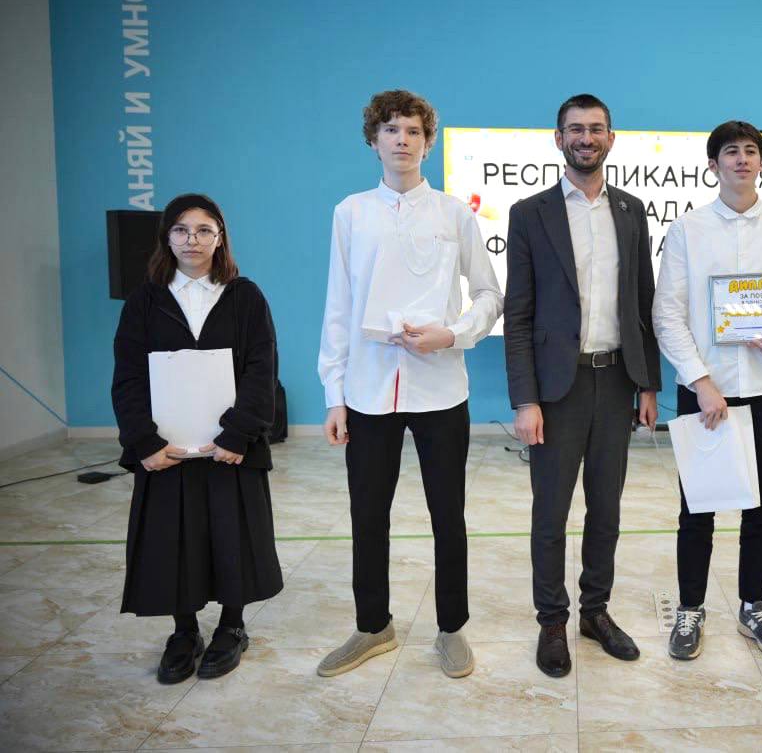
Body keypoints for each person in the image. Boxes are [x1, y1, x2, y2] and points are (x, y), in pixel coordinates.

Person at [316, 89, 502, 679]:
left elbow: (490, 295)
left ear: (428, 142)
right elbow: (338, 307)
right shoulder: (351, 213)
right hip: (369, 390)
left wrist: (453, 334)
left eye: (414, 131)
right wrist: (334, 395)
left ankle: (452, 628)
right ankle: (373, 626)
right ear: (373, 140)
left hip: (441, 389)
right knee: (368, 515)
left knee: (449, 514)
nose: (402, 139)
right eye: (391, 129)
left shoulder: (454, 214)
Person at [504, 93, 660, 678]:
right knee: (551, 514)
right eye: (575, 129)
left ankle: (595, 612)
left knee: (607, 510)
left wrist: (648, 385)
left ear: (611, 139)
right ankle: (552, 621)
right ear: (559, 138)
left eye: (596, 129)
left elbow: (642, 304)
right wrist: (526, 399)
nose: (586, 138)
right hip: (557, 390)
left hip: (616, 381)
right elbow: (518, 315)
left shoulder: (631, 210)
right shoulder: (529, 213)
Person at [653, 120, 762, 661]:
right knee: (697, 509)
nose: (742, 159)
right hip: (706, 392)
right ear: (713, 165)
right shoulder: (687, 230)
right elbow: (667, 313)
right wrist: (700, 381)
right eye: (730, 152)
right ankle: (690, 608)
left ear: (761, 163)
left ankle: (754, 606)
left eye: (750, 151)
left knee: (761, 508)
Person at [111, 193, 282, 684]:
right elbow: (128, 377)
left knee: (232, 537)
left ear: (220, 238)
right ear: (167, 238)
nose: (193, 240)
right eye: (182, 230)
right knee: (173, 539)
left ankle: (232, 626)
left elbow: (262, 369)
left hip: (229, 448)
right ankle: (184, 631)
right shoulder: (144, 300)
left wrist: (238, 434)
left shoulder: (245, 296)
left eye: (204, 230)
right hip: (168, 448)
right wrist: (144, 442)